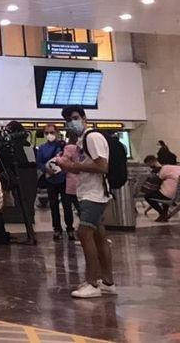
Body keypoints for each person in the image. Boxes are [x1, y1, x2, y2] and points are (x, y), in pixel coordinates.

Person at [56, 106, 118, 299]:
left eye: (74, 118)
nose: (71, 122)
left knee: (84, 233)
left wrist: (73, 165)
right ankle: (107, 281)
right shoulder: (82, 141)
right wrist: (67, 166)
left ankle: (92, 282)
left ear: (83, 117)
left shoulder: (92, 137)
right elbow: (86, 167)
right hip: (88, 192)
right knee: (99, 236)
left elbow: (102, 166)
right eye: (68, 119)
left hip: (95, 194)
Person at [36, 123, 73, 240]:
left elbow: (69, 160)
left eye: (52, 132)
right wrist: (46, 169)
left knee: (67, 205)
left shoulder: (64, 146)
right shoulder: (42, 148)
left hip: (64, 179)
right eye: (46, 133)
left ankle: (70, 228)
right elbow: (39, 163)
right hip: (50, 179)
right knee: (53, 206)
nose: (49, 135)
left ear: (57, 133)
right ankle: (57, 229)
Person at [142, 155, 180, 221]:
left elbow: (156, 183)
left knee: (147, 196)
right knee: (164, 192)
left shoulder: (163, 169)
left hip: (170, 194)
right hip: (177, 195)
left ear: (151, 162)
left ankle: (162, 213)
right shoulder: (176, 167)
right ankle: (164, 213)